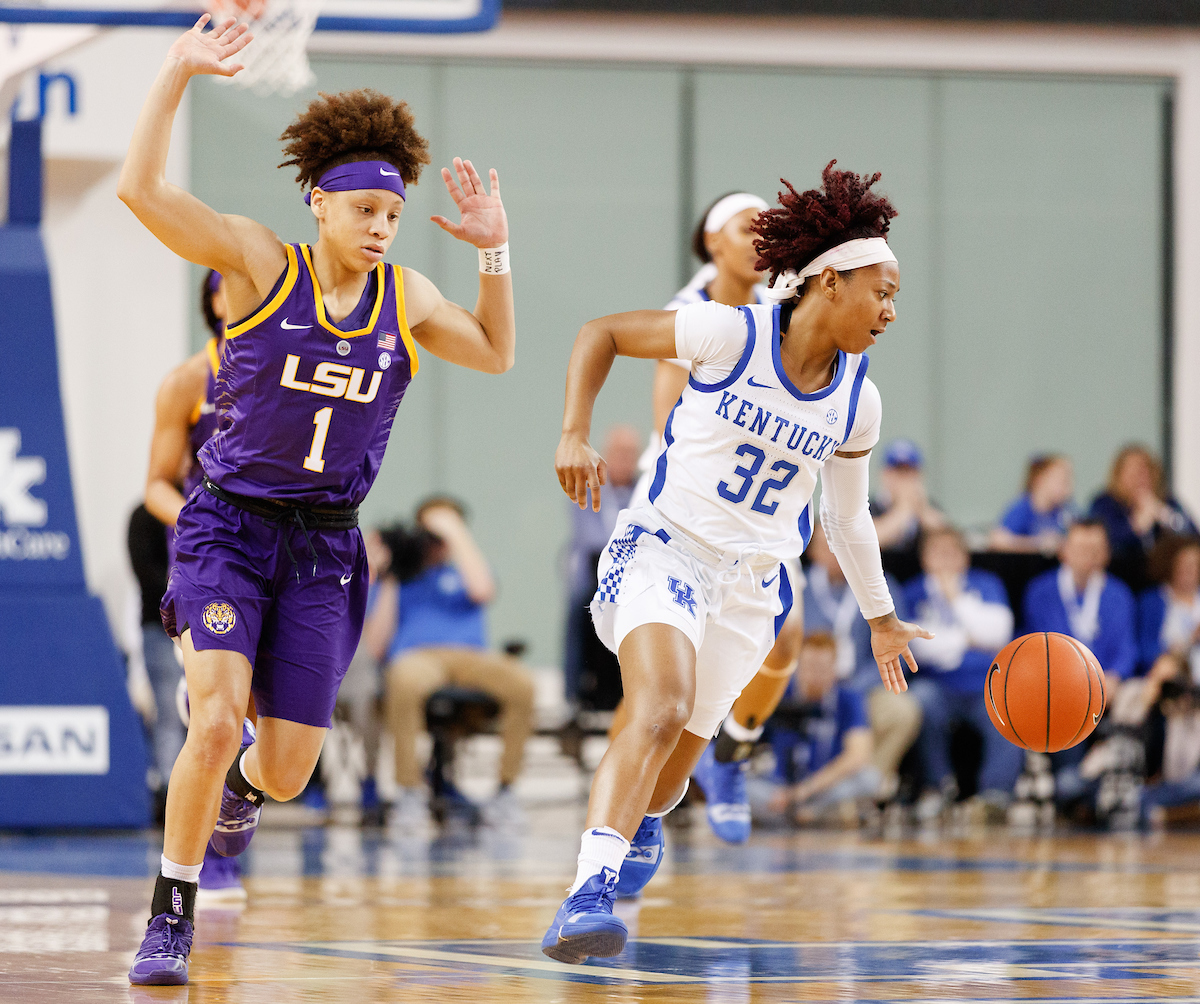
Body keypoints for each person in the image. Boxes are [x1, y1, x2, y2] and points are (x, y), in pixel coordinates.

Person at [119, 16, 514, 985]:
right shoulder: (261, 261)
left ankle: (246, 789)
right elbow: (139, 189)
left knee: (287, 766)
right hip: (228, 525)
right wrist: (175, 72)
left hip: (325, 548)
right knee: (212, 720)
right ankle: (170, 912)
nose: (381, 225)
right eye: (365, 208)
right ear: (319, 202)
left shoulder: (408, 296)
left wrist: (495, 252)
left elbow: (498, 351)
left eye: (393, 211)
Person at [547, 161, 930, 964]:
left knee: (674, 766)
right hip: (666, 544)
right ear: (828, 282)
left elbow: (848, 514)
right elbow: (602, 333)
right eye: (882, 290)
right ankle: (586, 895)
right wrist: (574, 430)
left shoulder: (859, 398)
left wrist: (882, 616)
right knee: (658, 705)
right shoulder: (732, 329)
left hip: (753, 584)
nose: (892, 311)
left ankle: (648, 818)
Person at [632, 192, 807, 852]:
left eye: (769, 227)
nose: (762, 237)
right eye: (747, 226)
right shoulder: (688, 315)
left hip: (753, 506)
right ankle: (635, 826)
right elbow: (669, 423)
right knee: (665, 688)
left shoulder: (779, 310)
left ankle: (731, 757)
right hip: (682, 507)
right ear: (713, 243)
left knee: (786, 640)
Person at [380, 498, 536, 830]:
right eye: (430, 532)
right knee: (403, 679)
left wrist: (453, 530)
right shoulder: (402, 576)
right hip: (419, 658)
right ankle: (409, 792)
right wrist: (392, 573)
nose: (435, 541)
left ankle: (506, 792)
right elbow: (377, 643)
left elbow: (482, 590)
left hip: (471, 658)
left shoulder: (466, 569)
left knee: (522, 683)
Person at [904, 526, 1019, 823]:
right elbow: (916, 646)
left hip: (984, 682)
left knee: (1008, 702)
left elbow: (999, 634)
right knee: (920, 701)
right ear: (924, 558)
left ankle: (995, 795)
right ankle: (937, 787)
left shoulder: (986, 584)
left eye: (951, 552)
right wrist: (968, 639)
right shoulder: (912, 592)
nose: (944, 559)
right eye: (937, 552)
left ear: (965, 557)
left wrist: (956, 600)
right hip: (935, 684)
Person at [803, 524, 919, 801]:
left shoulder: (882, 585)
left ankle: (859, 792)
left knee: (902, 712)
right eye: (826, 545)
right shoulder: (799, 587)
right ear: (812, 551)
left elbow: (896, 648)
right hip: (810, 690)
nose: (834, 553)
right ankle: (798, 788)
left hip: (863, 687)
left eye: (840, 545)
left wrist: (855, 687)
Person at [749, 633, 876, 825]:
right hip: (777, 788)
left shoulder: (848, 698)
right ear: (798, 665)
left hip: (823, 787)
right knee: (737, 786)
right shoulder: (778, 693)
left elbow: (858, 755)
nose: (815, 675)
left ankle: (801, 814)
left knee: (869, 779)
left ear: (834, 669)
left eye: (822, 668)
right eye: (810, 667)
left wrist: (804, 790)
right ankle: (813, 816)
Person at [564, 425, 641, 708]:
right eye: (620, 452)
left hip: (635, 572)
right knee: (580, 603)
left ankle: (629, 689)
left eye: (631, 453)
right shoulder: (586, 485)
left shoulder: (642, 490)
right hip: (594, 571)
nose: (626, 459)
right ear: (606, 454)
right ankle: (574, 693)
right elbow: (590, 537)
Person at [1022, 519, 1136, 690]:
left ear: (1107, 553)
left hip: (1106, 684)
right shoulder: (1040, 592)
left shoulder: (1119, 594)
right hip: (1054, 685)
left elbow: (1126, 648)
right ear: (1064, 550)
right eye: (1082, 548)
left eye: (1096, 549)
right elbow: (1037, 645)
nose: (1089, 556)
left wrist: (1115, 676)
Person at [1135, 535, 1200, 823]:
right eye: (1185, 565)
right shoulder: (1153, 601)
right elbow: (1146, 650)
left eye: (1196, 566)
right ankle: (1161, 797)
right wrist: (1183, 644)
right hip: (1169, 690)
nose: (1191, 572)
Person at [1089, 444, 1197, 587]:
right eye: (1132, 473)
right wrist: (1136, 526)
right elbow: (1104, 542)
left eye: (1144, 472)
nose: (1139, 479)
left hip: (1162, 585)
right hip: (1120, 579)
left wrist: (1165, 516)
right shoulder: (1105, 503)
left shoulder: (1166, 501)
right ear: (1119, 475)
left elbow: (1192, 536)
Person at [871, 439, 945, 568]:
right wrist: (904, 508)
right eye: (898, 471)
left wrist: (921, 508)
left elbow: (946, 539)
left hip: (919, 578)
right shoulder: (870, 506)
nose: (904, 478)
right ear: (884, 473)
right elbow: (869, 540)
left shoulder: (928, 506)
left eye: (909, 471)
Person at [990, 454, 1077, 554]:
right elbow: (998, 540)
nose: (1069, 488)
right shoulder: (1022, 507)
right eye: (1063, 481)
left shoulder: (1069, 510)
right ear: (1040, 479)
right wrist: (1038, 543)